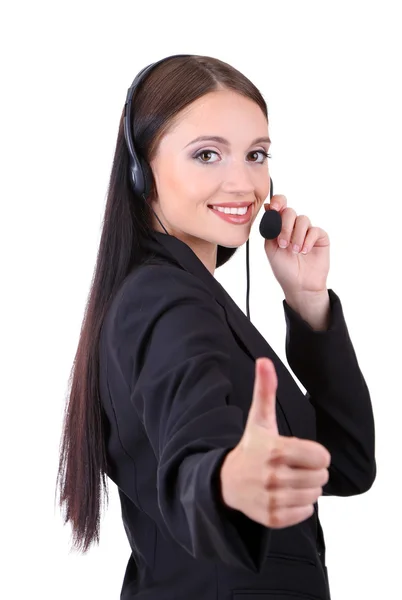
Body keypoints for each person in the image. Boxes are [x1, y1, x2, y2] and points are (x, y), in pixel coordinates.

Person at [56, 54, 376, 600]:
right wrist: (228, 481)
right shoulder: (165, 299)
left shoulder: (180, 294)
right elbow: (193, 456)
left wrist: (307, 302)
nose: (243, 183)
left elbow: (346, 464)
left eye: (257, 155)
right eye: (207, 154)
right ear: (143, 170)